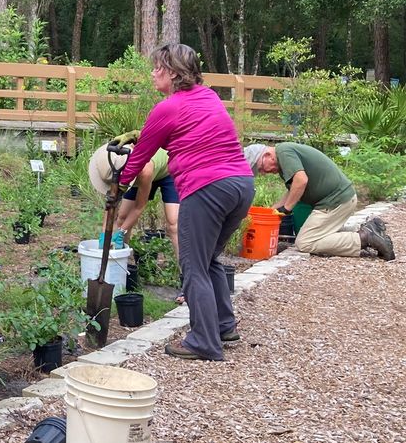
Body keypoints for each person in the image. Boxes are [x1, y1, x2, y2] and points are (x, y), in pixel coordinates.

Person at [119, 44, 254, 361]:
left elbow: (139, 159)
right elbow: (184, 131)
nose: (153, 73)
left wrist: (115, 182)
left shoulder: (167, 108)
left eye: (157, 68)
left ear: (172, 72)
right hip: (241, 185)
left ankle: (203, 342)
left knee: (193, 266)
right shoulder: (209, 97)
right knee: (208, 260)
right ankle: (223, 325)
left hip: (207, 189)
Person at [244, 142, 394, 261]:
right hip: (337, 199)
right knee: (317, 233)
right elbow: (293, 189)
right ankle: (369, 229)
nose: (264, 173)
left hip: (335, 201)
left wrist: (287, 208)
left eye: (261, 168)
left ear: (268, 155)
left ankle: (364, 237)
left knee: (305, 242)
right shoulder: (285, 156)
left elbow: (301, 181)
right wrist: (272, 210)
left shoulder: (283, 152)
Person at [88, 134, 180, 257]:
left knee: (173, 225)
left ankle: (185, 273)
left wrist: (121, 232)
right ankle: (121, 262)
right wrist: (105, 232)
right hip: (135, 172)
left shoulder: (145, 170)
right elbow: (111, 202)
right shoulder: (114, 159)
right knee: (122, 217)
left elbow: (139, 207)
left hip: (168, 171)